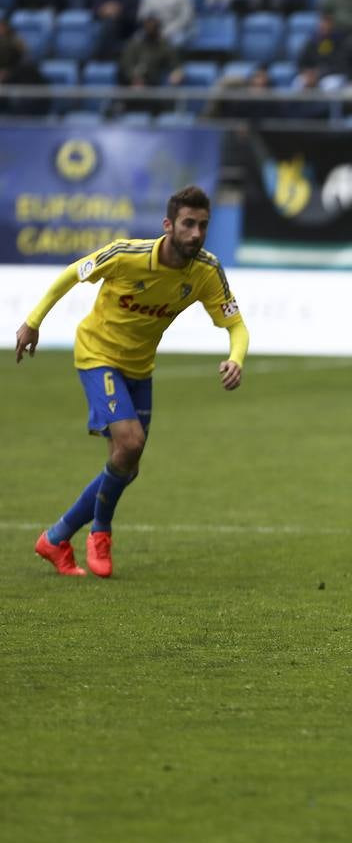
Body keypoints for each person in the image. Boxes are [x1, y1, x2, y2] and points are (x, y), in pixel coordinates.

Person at [15, 186, 248, 579]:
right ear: (168, 225)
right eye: (188, 224)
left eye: (203, 225)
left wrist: (235, 358)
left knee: (127, 465)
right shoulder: (127, 255)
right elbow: (74, 273)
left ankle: (56, 538)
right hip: (97, 355)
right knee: (130, 444)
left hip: (140, 368)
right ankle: (101, 533)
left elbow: (236, 325)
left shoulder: (207, 271)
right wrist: (33, 321)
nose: (196, 233)